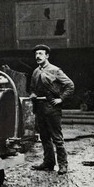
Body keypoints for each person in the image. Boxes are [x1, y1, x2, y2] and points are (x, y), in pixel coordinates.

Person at [29, 44, 75, 175]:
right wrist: (32, 94)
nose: (38, 56)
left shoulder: (55, 70)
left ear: (47, 56)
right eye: (36, 54)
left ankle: (63, 165)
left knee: (57, 137)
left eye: (41, 54)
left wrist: (61, 99)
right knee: (44, 136)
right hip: (40, 107)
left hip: (52, 107)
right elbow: (32, 88)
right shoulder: (36, 72)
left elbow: (70, 85)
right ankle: (48, 163)